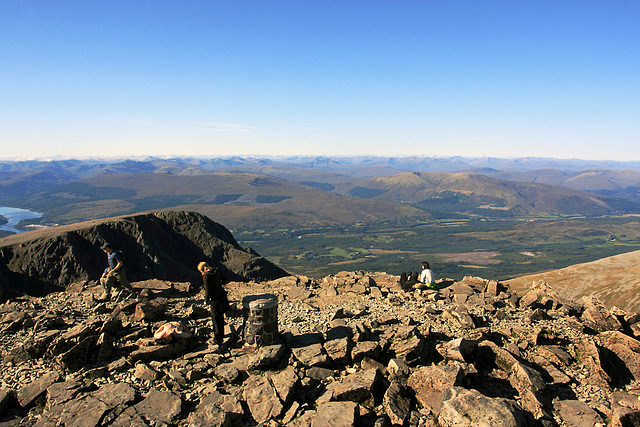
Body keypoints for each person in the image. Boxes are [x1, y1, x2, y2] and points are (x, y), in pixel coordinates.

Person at [198, 261, 230, 349]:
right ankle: (221, 335)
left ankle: (218, 339)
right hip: (222, 297)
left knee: (215, 318)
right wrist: (218, 285)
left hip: (215, 299)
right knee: (220, 317)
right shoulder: (216, 270)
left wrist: (206, 300)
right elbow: (224, 280)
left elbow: (207, 290)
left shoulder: (206, 276)